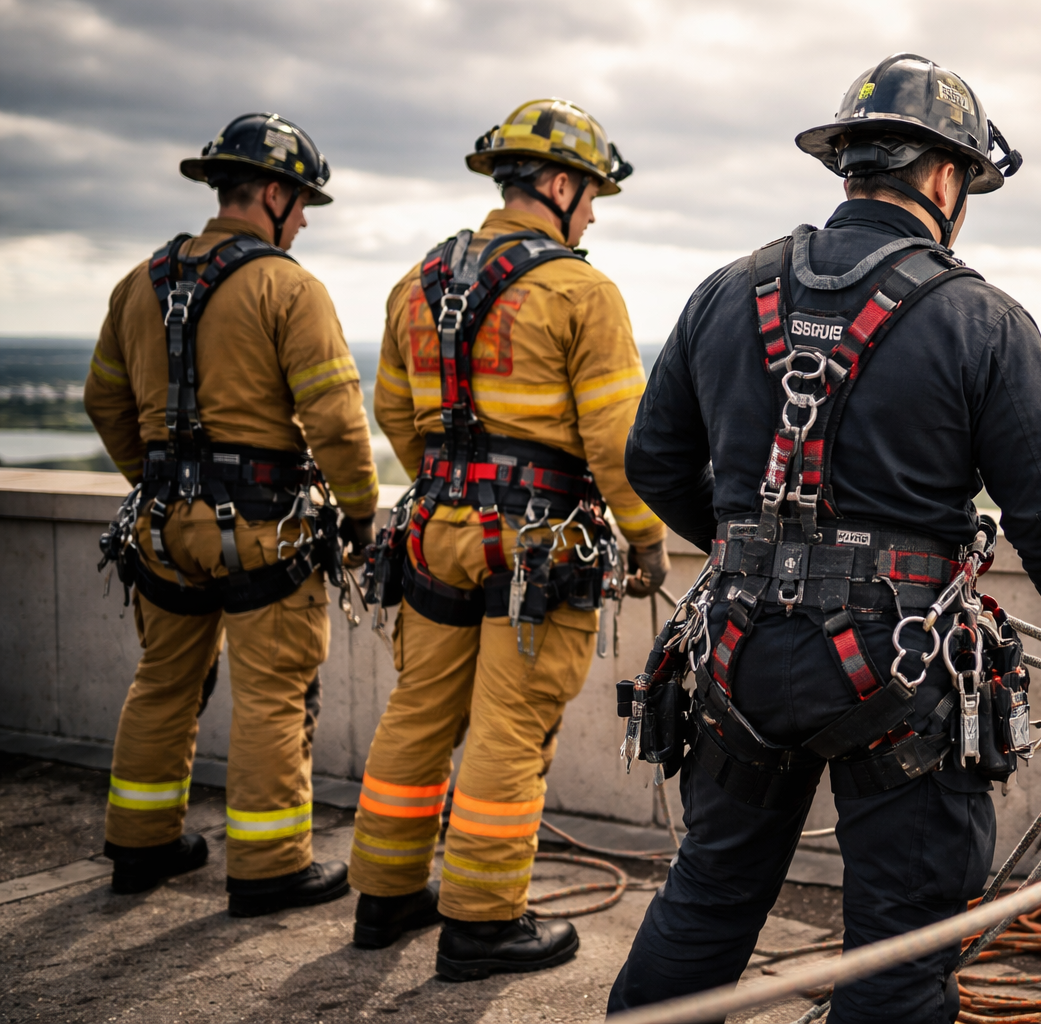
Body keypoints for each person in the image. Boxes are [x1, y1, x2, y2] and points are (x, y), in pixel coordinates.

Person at [607, 54, 1041, 1024]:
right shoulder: (980, 319)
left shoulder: (725, 294)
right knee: (898, 942)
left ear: (850, 164)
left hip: (737, 654)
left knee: (711, 893)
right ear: (946, 177)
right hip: (892, 671)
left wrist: (752, 557)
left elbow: (652, 464)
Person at [350, 98, 668, 978]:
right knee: (509, 729)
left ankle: (384, 895)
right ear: (559, 184)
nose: (595, 212)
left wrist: (455, 484)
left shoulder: (416, 282)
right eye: (593, 193)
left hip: (434, 531)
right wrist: (646, 542)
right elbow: (614, 438)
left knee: (418, 711)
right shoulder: (580, 289)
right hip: (539, 546)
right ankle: (483, 925)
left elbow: (390, 412)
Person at [85, 113, 379, 915]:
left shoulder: (136, 283)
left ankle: (139, 848)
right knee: (275, 694)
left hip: (161, 528)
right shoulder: (287, 287)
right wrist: (357, 518)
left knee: (163, 681)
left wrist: (155, 481)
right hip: (261, 530)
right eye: (305, 203)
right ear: (276, 195)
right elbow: (337, 423)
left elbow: (102, 399)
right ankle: (270, 867)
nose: (308, 220)